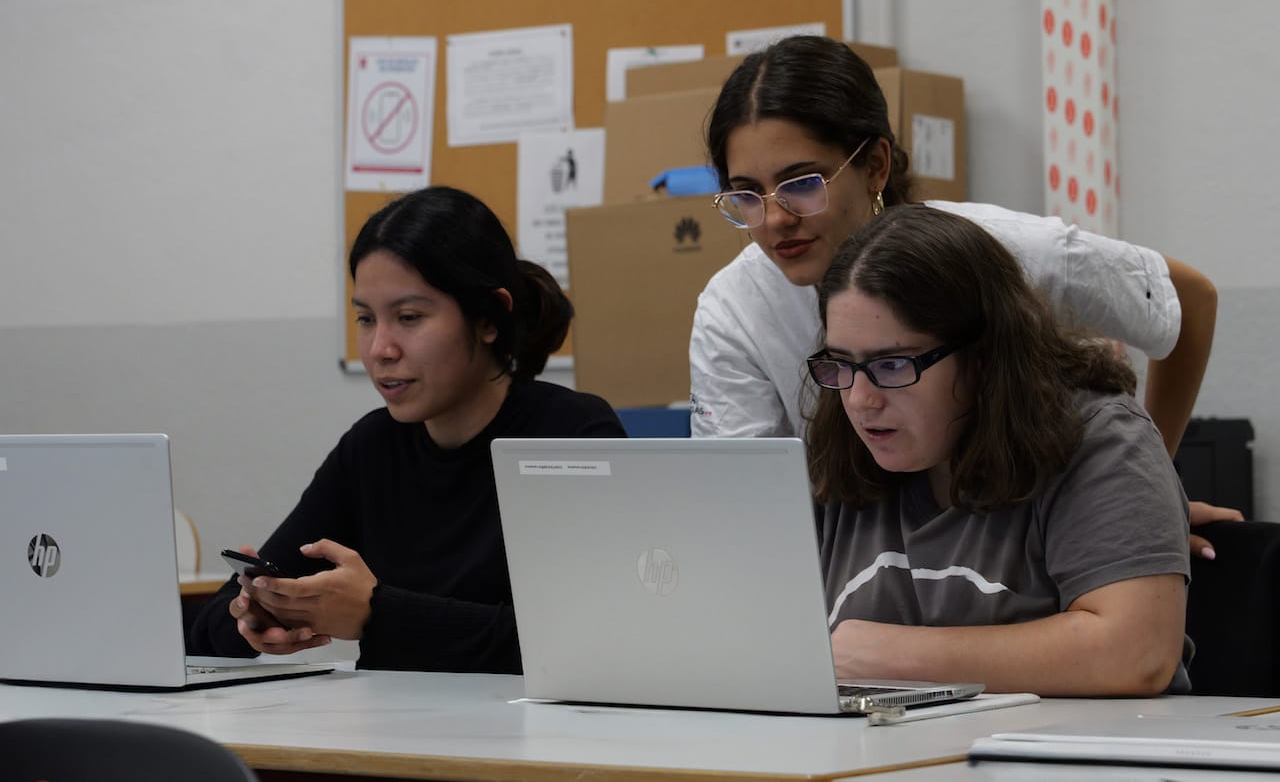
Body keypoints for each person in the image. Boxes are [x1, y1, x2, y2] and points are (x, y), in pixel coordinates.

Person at [688, 34, 1240, 557]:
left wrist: (1148, 493)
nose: (777, 218)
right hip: (870, 583)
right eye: (746, 194)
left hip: (1035, 559)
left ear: (875, 164)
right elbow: (742, 512)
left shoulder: (1004, 254)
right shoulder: (735, 310)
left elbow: (1187, 302)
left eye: (803, 183)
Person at [188, 186, 625, 673]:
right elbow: (212, 627)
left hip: (538, 738)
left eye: (409, 318)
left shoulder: (571, 435)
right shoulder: (371, 447)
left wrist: (377, 611)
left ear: (489, 319)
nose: (379, 348)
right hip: (393, 733)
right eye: (366, 319)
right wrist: (255, 614)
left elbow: (592, 640)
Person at [808, 205, 1190, 695]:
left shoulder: (1101, 441)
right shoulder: (837, 454)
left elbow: (1136, 653)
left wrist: (891, 657)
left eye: (893, 365)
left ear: (983, 354)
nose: (860, 400)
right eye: (840, 364)